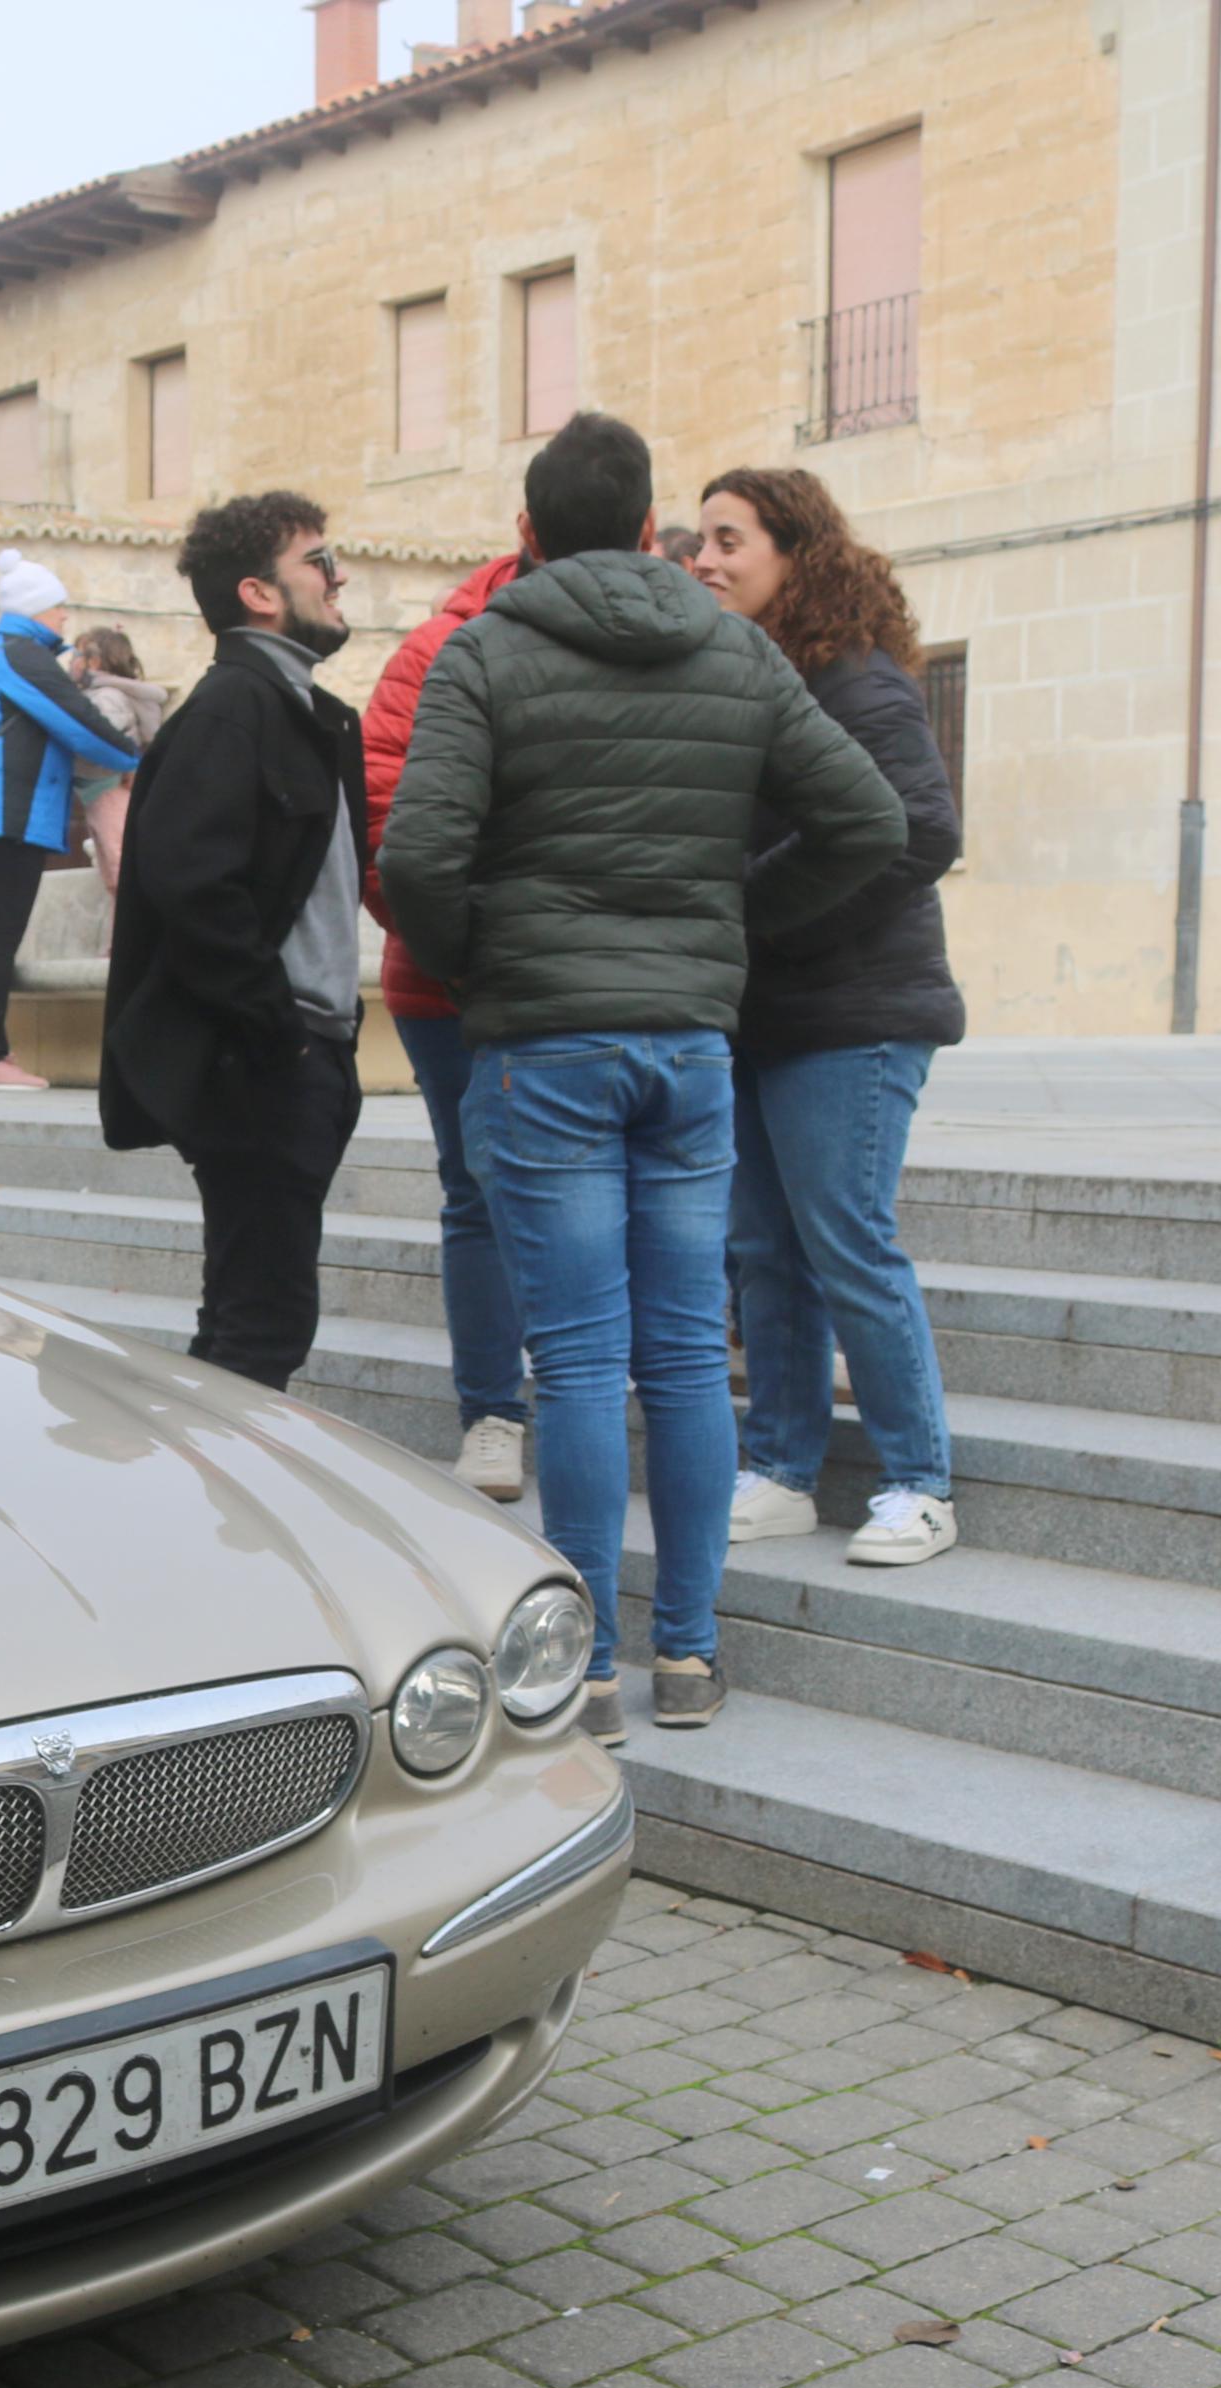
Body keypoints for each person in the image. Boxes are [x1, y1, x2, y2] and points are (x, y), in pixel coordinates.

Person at [378, 413, 906, 1741]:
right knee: (679, 1355)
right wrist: (731, 922)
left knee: (573, 1360)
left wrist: (491, 968)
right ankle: (685, 1654)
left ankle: (590, 1673)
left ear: (527, 528)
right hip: (684, 1046)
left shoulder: (482, 654)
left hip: (542, 1047)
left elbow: (416, 864)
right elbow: (868, 822)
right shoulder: (729, 648)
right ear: (639, 526)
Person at [689, 468, 969, 1568]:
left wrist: (756, 913)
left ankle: (917, 1482)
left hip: (853, 1015)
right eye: (698, 540)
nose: (703, 559)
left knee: (847, 1244)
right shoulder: (758, 676)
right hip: (766, 1012)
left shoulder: (858, 686)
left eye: (727, 539)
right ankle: (781, 1469)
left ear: (793, 554)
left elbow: (920, 833)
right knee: (763, 1249)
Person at [98, 491, 367, 1393]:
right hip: (265, 1066)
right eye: (318, 563)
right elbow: (190, 887)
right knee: (261, 1327)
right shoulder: (230, 714)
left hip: (304, 1057)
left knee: (246, 1316)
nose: (338, 578)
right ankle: (222, 1525)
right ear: (258, 592)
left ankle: (205, 1518)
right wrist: (276, 1033)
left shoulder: (311, 717)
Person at [358, 549, 534, 1503]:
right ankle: (493, 1413)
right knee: (475, 1193)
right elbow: (384, 827)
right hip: (447, 985)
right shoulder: (435, 652)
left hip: (572, 983)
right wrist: (464, 954)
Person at [0, 551, 140, 1091]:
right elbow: (81, 723)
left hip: (4, 814)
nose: (64, 619)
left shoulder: (13, 653)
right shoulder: (21, 657)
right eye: (58, 609)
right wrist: (137, 759)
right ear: (35, 611)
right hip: (10, 815)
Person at [65, 625, 172, 894]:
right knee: (113, 869)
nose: (70, 661)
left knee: (119, 867)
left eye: (77, 654)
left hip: (109, 789)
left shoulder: (106, 698)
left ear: (95, 662)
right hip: (102, 791)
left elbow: (103, 740)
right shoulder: (102, 696)